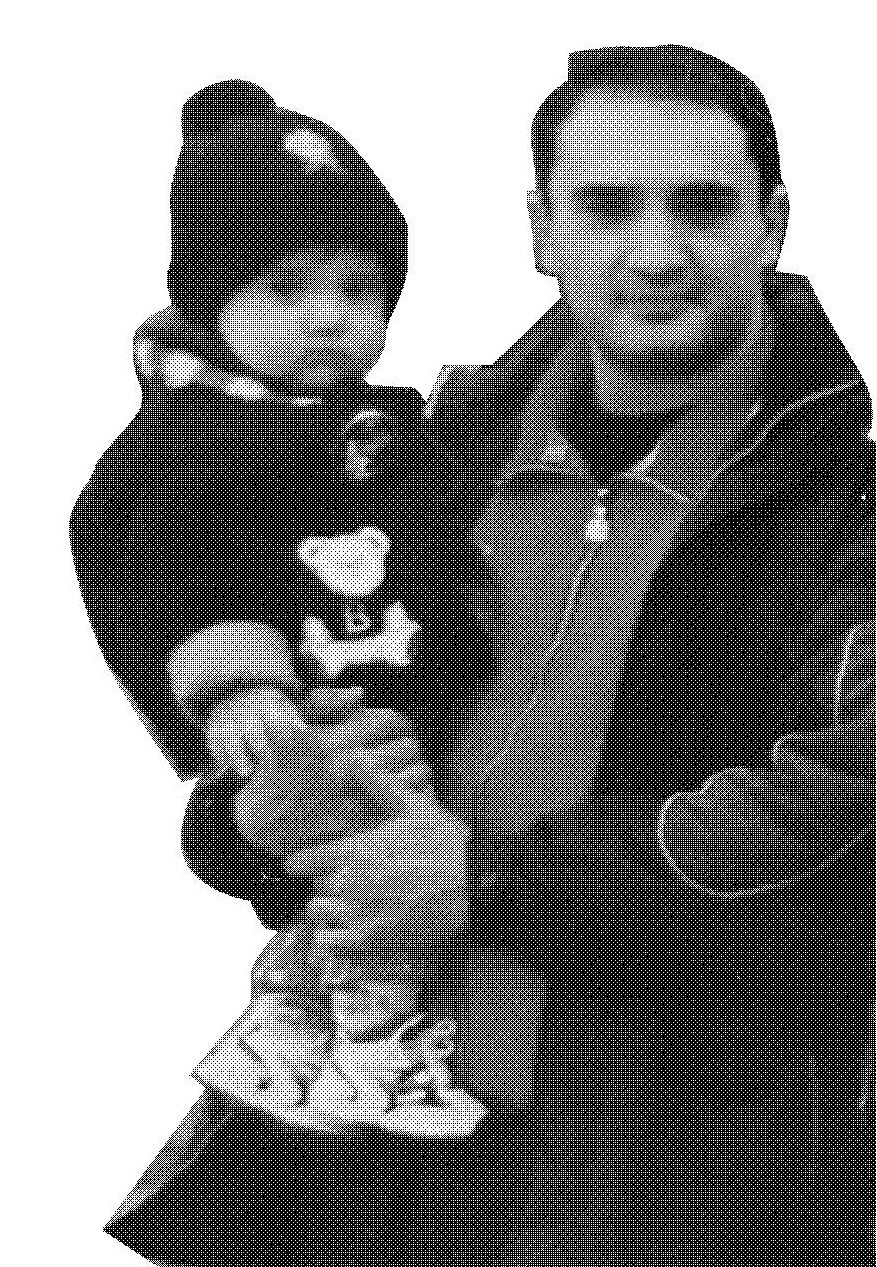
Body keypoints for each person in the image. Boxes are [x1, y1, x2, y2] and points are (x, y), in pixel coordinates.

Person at [165, 46, 874, 1266]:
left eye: (701, 206)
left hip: (678, 1185)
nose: (655, 252)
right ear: (542, 229)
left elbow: (845, 809)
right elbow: (268, 723)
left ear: (772, 224)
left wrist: (483, 883)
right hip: (366, 1163)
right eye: (606, 206)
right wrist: (252, 818)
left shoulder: (852, 508)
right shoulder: (416, 460)